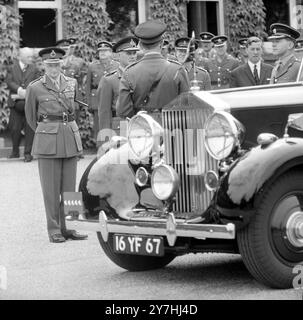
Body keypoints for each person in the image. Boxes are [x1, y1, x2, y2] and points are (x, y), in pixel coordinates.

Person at [25, 47, 87, 243]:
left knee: (70, 189)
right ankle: (54, 229)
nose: (54, 68)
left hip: (69, 136)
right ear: (44, 65)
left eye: (57, 64)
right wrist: (47, 133)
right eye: (50, 65)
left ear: (62, 64)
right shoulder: (35, 88)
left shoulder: (71, 83)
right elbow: (31, 117)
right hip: (48, 141)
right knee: (51, 190)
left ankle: (71, 226)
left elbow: (73, 111)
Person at [116, 20, 190, 118]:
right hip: (172, 128)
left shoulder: (129, 73)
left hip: (142, 129)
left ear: (141, 45)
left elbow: (123, 112)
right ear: (162, 43)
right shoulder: (177, 70)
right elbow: (187, 107)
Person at [97, 36, 139, 142]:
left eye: (134, 53)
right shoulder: (109, 80)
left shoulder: (141, 76)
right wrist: (105, 141)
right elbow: (104, 114)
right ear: (119, 55)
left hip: (139, 127)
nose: (133, 56)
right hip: (119, 128)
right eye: (128, 53)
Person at [5, 47, 40, 161]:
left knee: (30, 128)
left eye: (31, 57)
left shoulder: (34, 68)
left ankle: (28, 154)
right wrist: (19, 89)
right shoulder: (12, 68)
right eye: (28, 57)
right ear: (20, 57)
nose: (31, 59)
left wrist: (28, 91)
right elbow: (9, 81)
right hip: (15, 104)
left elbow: (37, 82)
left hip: (29, 103)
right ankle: (15, 152)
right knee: (14, 128)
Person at [86, 41, 119, 140]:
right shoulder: (92, 66)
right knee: (99, 126)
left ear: (111, 52)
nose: (102, 53)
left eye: (105, 51)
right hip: (97, 100)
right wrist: (89, 103)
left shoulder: (117, 65)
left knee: (113, 124)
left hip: (113, 99)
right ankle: (100, 148)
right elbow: (88, 86)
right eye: (100, 51)